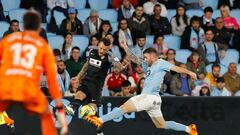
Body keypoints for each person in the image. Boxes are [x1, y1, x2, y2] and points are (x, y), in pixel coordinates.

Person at [85, 47, 198, 135]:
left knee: (124, 108)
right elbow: (134, 59)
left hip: (148, 97)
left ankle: (100, 120)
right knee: (161, 125)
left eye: (146, 57)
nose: (144, 59)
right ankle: (189, 129)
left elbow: (176, 68)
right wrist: (125, 47)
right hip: (155, 100)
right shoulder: (148, 66)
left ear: (152, 56)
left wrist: (190, 73)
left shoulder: (160, 63)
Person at [0, 10, 67, 135]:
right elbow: (52, 82)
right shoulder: (42, 45)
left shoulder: (8, 40)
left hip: (5, 91)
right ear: (39, 28)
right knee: (47, 120)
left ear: (23, 26)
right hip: (28, 92)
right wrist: (61, 112)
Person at [63, 38, 129, 116]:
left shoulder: (110, 56)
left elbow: (119, 66)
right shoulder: (92, 51)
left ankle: (98, 120)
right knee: (79, 95)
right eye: (100, 48)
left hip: (97, 86)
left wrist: (122, 66)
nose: (101, 51)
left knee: (91, 109)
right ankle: (71, 109)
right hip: (86, 81)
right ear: (98, 45)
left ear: (108, 49)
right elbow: (86, 65)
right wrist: (78, 77)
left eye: (104, 50)